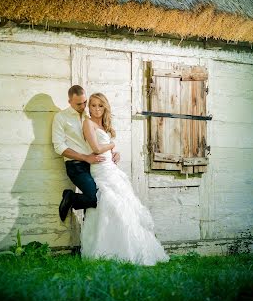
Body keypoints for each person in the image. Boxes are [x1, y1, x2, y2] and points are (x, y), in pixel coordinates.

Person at [80, 92, 169, 266]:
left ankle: (131, 249)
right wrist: (111, 145)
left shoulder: (104, 126)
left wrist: (114, 153)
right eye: (93, 105)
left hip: (111, 168)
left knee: (125, 204)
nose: (96, 109)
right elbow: (96, 148)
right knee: (108, 202)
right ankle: (104, 249)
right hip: (100, 170)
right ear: (88, 107)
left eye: (100, 105)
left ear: (105, 107)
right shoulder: (87, 123)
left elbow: (105, 149)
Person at [51, 85, 120, 222]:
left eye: (84, 102)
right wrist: (85, 157)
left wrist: (114, 152)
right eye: (78, 104)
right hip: (76, 166)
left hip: (96, 166)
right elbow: (59, 147)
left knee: (105, 198)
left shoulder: (90, 114)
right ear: (69, 101)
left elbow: (101, 138)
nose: (83, 106)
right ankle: (70, 197)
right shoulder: (61, 118)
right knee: (94, 198)